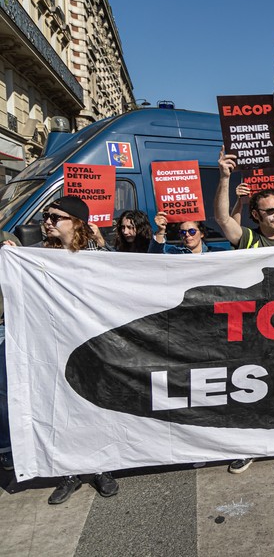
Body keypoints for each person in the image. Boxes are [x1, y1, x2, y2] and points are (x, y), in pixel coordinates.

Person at [214, 149, 274, 473]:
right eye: (268, 211)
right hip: (252, 327)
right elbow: (222, 220)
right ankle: (247, 446)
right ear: (256, 215)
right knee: (249, 386)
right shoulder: (247, 239)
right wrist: (225, 178)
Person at [39, 196, 120, 503]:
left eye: (55, 217)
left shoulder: (97, 255)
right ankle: (69, 473)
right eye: (47, 216)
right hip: (53, 344)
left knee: (95, 405)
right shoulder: (37, 257)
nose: (48, 221)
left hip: (92, 345)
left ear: (76, 223)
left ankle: (102, 468)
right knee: (61, 409)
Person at [0, 230, 22, 472]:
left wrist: (14, 255)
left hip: (4, 326)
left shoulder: (6, 236)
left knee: (3, 391)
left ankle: (7, 449)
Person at [149, 212, 216, 254]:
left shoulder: (214, 253)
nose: (187, 234)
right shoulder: (174, 253)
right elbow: (155, 259)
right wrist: (161, 230)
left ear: (202, 234)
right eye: (183, 232)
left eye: (192, 231)